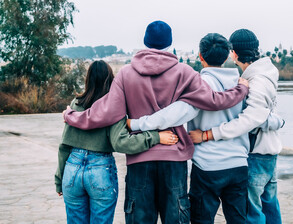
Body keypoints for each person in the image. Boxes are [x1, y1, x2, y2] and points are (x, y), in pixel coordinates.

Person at [63, 21, 249, 224]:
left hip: (139, 160)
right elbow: (215, 101)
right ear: (170, 42)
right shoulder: (185, 73)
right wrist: (241, 89)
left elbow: (106, 110)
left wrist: (73, 116)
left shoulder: (126, 74)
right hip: (174, 160)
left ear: (145, 41)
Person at [128, 33, 284, 224]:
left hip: (207, 167)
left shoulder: (198, 84)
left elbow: (177, 113)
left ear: (201, 56)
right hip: (238, 166)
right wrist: (279, 121)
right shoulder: (243, 83)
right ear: (228, 56)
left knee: (201, 220)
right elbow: (259, 116)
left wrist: (137, 123)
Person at [55, 60, 178, 224]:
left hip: (72, 170)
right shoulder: (113, 107)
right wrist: (156, 137)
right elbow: (122, 143)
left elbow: (64, 146)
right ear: (111, 79)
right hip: (100, 169)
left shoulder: (74, 105)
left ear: (88, 79)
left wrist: (59, 179)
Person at [190, 29, 283, 224]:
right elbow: (265, 116)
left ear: (233, 53)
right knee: (267, 207)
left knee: (254, 212)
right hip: (255, 157)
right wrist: (278, 121)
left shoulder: (252, 81)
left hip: (252, 154)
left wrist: (207, 134)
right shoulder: (249, 79)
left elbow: (252, 118)